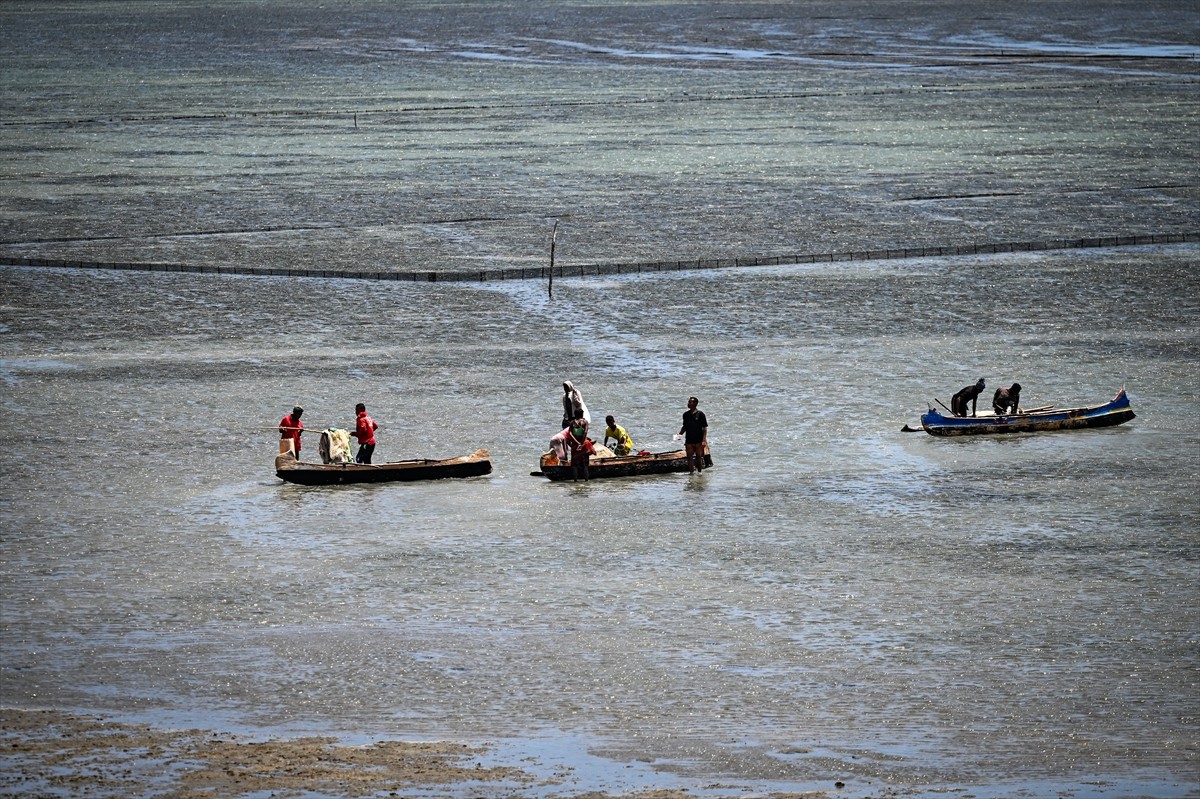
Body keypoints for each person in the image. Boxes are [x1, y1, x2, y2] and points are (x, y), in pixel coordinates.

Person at [679, 396, 708, 474]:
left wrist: (704, 440)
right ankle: (691, 474)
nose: (688, 403)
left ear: (695, 404)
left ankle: (700, 473)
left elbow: (704, 427)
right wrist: (680, 434)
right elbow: (685, 426)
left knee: (699, 457)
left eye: (690, 402)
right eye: (688, 402)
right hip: (689, 439)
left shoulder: (701, 414)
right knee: (689, 458)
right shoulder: (685, 415)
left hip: (698, 440)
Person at [566, 412, 591, 481]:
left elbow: (570, 434)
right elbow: (585, 432)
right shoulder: (584, 422)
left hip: (574, 446)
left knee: (574, 464)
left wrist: (576, 443)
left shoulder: (572, 423)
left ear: (575, 415)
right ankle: (586, 480)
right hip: (583, 445)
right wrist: (581, 443)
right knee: (585, 464)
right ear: (582, 414)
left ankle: (575, 481)